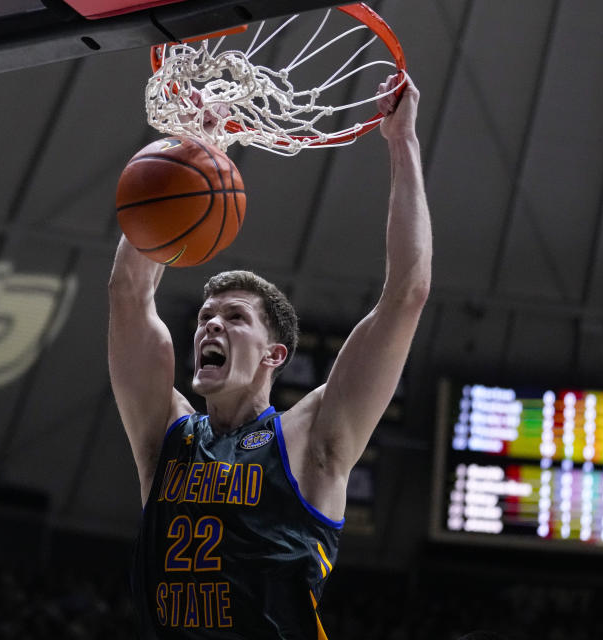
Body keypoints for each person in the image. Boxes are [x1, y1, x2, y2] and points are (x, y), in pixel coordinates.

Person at [108, 73, 430, 639]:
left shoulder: (312, 441)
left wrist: (401, 141)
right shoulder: (166, 438)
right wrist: (194, 149)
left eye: (235, 317)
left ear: (274, 354)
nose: (212, 324)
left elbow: (406, 294)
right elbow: (129, 295)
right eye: (207, 317)